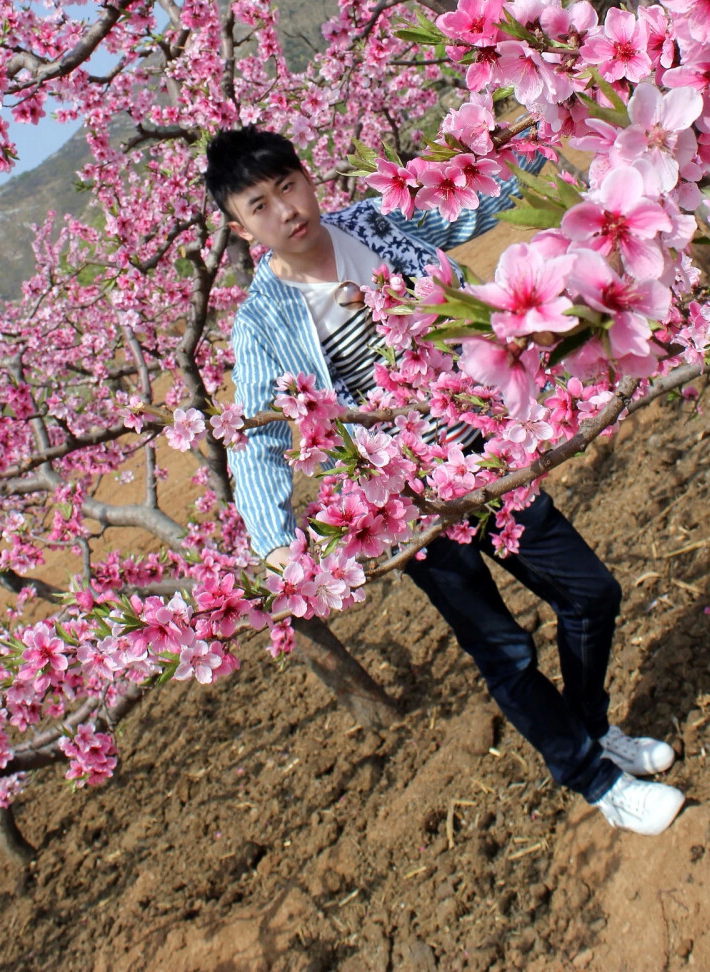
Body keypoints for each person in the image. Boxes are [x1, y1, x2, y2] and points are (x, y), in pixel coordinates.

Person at [205, 126, 685, 836]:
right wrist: (274, 543)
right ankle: (596, 781)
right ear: (242, 227)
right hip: (410, 505)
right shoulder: (262, 324)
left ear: (307, 178)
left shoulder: (373, 224)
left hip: (484, 459)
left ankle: (591, 730)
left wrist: (554, 131)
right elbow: (259, 438)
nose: (285, 210)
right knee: (504, 649)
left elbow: (474, 203)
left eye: (288, 187)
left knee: (591, 593)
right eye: (259, 204)